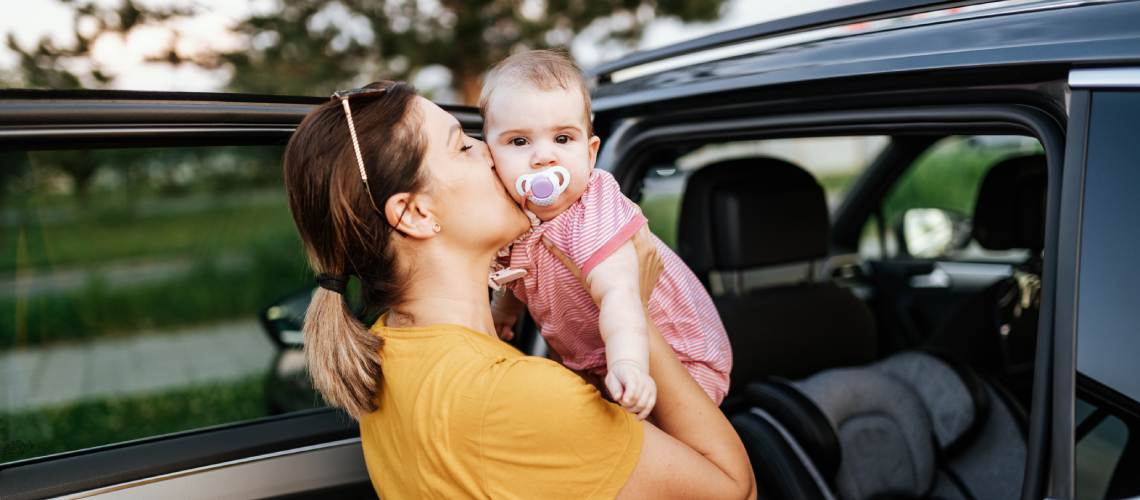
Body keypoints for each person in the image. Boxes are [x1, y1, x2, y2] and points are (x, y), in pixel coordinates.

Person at [282, 80, 755, 499]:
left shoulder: (385, 354)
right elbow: (735, 490)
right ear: (416, 215)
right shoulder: (520, 396)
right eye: (464, 147)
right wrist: (638, 308)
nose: (493, 151)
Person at [482, 50, 732, 414]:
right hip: (599, 365)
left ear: (590, 151)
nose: (543, 157)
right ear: (490, 156)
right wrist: (504, 312)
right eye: (519, 142)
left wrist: (628, 363)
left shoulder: (594, 214)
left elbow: (619, 295)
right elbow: (521, 269)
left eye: (563, 139)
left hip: (680, 363)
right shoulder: (518, 219)